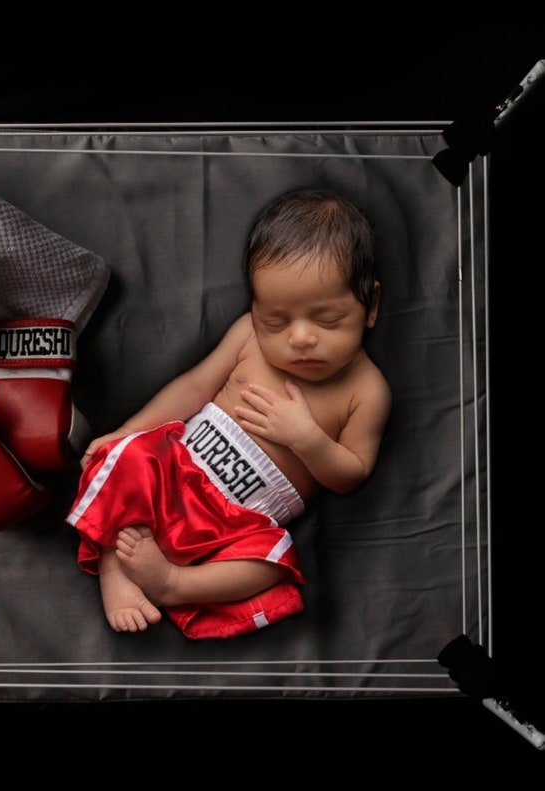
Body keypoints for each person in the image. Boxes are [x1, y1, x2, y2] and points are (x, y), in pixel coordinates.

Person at [66, 189, 392, 639]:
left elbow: (351, 474)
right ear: (256, 308)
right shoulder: (247, 338)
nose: (299, 338)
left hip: (242, 521)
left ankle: (176, 583)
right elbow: (194, 387)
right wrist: (128, 431)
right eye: (275, 320)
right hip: (179, 471)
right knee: (125, 458)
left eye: (328, 320)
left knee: (273, 563)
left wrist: (307, 439)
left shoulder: (367, 391)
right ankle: (115, 567)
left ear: (369, 306)